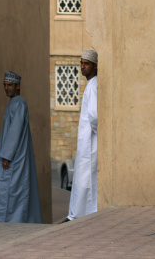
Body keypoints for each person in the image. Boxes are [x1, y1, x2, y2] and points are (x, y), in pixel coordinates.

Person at [0, 71, 42, 223]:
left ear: (18, 87)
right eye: (4, 85)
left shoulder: (19, 103)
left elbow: (15, 131)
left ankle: (11, 218)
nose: (6, 88)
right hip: (12, 154)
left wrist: (7, 155)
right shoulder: (14, 103)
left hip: (15, 156)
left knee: (12, 187)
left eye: (9, 85)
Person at [66, 49, 98, 221]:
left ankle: (82, 214)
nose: (83, 67)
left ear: (95, 66)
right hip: (87, 140)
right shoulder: (91, 85)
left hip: (91, 141)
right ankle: (78, 213)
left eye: (86, 63)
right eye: (81, 63)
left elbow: (94, 116)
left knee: (87, 180)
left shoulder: (94, 86)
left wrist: (96, 135)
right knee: (83, 178)